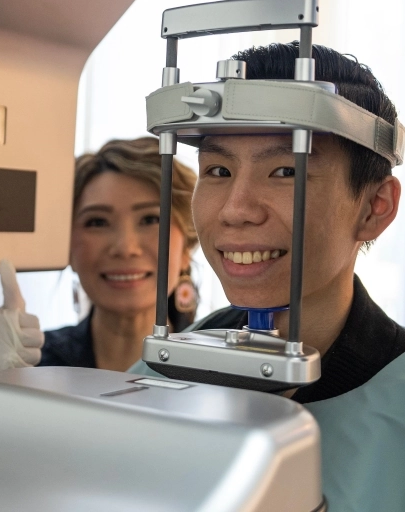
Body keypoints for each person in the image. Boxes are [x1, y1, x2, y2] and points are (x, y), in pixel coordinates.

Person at [132, 41, 405, 512]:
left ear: (374, 208)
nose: (235, 210)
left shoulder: (393, 402)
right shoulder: (162, 371)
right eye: (217, 170)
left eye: (284, 171)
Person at [0, 136, 198, 373]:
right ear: (68, 247)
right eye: (97, 222)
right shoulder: (35, 367)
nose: (125, 247)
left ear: (186, 245)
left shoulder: (223, 367)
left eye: (150, 219)